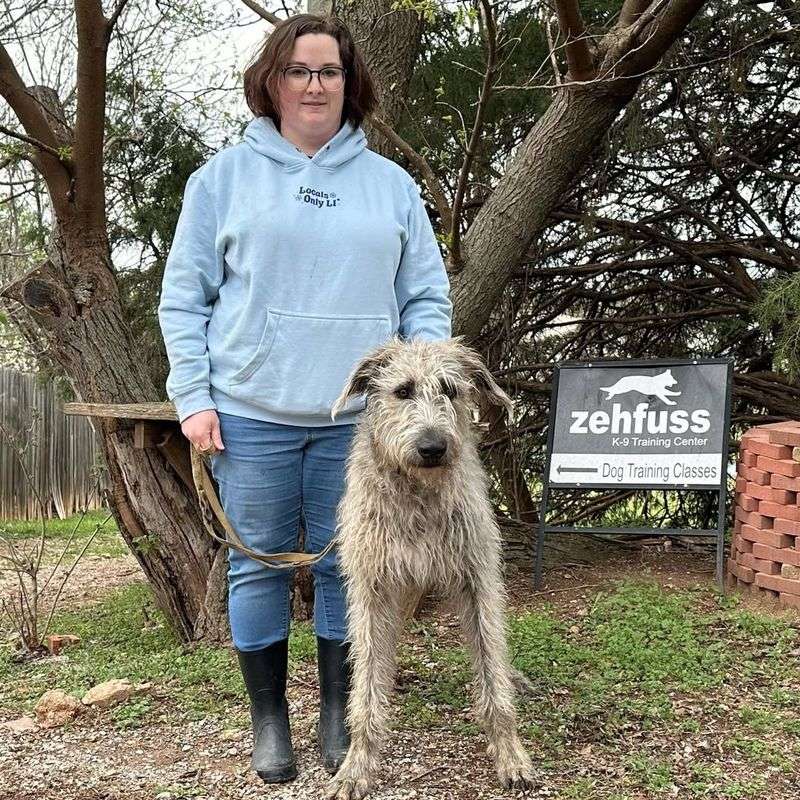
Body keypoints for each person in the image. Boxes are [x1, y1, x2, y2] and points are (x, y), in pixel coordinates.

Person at [157, 12, 452, 785]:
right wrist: (194, 394)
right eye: (299, 70)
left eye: (329, 71)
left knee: (350, 570)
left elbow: (425, 300)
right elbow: (184, 299)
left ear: (350, 84)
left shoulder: (391, 187)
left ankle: (337, 714)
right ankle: (268, 723)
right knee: (255, 568)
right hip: (249, 414)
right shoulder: (221, 179)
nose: (314, 84)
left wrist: (419, 390)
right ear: (273, 81)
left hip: (362, 428)